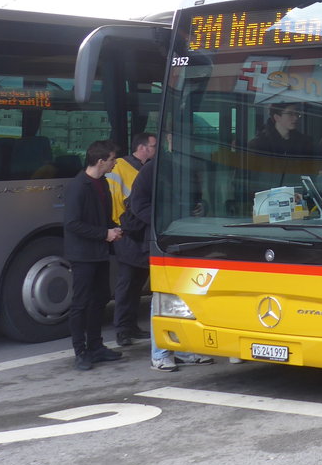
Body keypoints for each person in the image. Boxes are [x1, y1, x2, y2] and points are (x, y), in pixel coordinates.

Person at [122, 136, 215, 372]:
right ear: (171, 142)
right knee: (163, 297)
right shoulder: (153, 169)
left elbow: (196, 199)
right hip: (163, 239)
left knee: (183, 295)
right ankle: (160, 353)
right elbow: (138, 204)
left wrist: (199, 207)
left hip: (185, 237)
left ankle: (182, 350)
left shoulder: (188, 168)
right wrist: (164, 221)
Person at [63, 140, 124, 371]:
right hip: (83, 254)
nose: (114, 163)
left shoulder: (103, 184)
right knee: (80, 303)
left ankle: (96, 347)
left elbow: (102, 218)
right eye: (112, 159)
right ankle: (81, 352)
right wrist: (104, 233)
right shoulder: (78, 186)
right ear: (100, 161)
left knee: (100, 299)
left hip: (98, 251)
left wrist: (114, 229)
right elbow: (72, 224)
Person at [109, 132, 157, 344]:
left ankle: (131, 326)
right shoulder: (120, 167)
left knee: (137, 283)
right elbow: (114, 198)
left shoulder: (147, 168)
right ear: (143, 147)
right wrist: (117, 227)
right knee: (127, 283)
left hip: (141, 232)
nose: (157, 150)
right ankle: (122, 329)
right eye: (154, 146)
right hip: (127, 232)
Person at [248, 102, 314, 157]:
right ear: (277, 117)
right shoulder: (258, 145)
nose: (295, 117)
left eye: (296, 113)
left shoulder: (305, 143)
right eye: (290, 114)